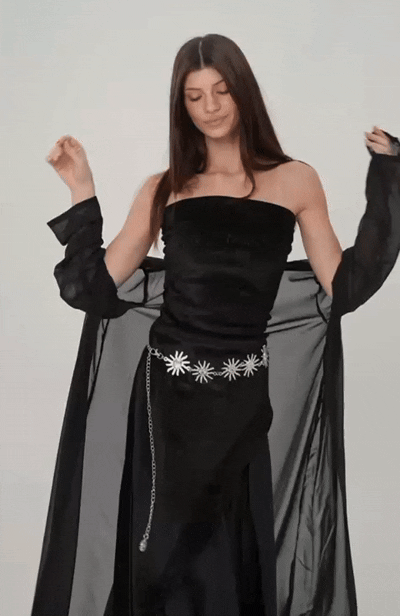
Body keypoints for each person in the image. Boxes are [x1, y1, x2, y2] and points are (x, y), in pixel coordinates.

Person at [31, 34, 400, 616]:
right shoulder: (165, 188)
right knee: (163, 562)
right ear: (181, 105)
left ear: (243, 91)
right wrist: (82, 189)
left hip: (242, 402)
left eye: (222, 91)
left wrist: (390, 179)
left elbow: (346, 286)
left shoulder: (296, 181)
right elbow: (92, 290)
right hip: (167, 402)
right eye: (194, 96)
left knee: (229, 563)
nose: (210, 107)